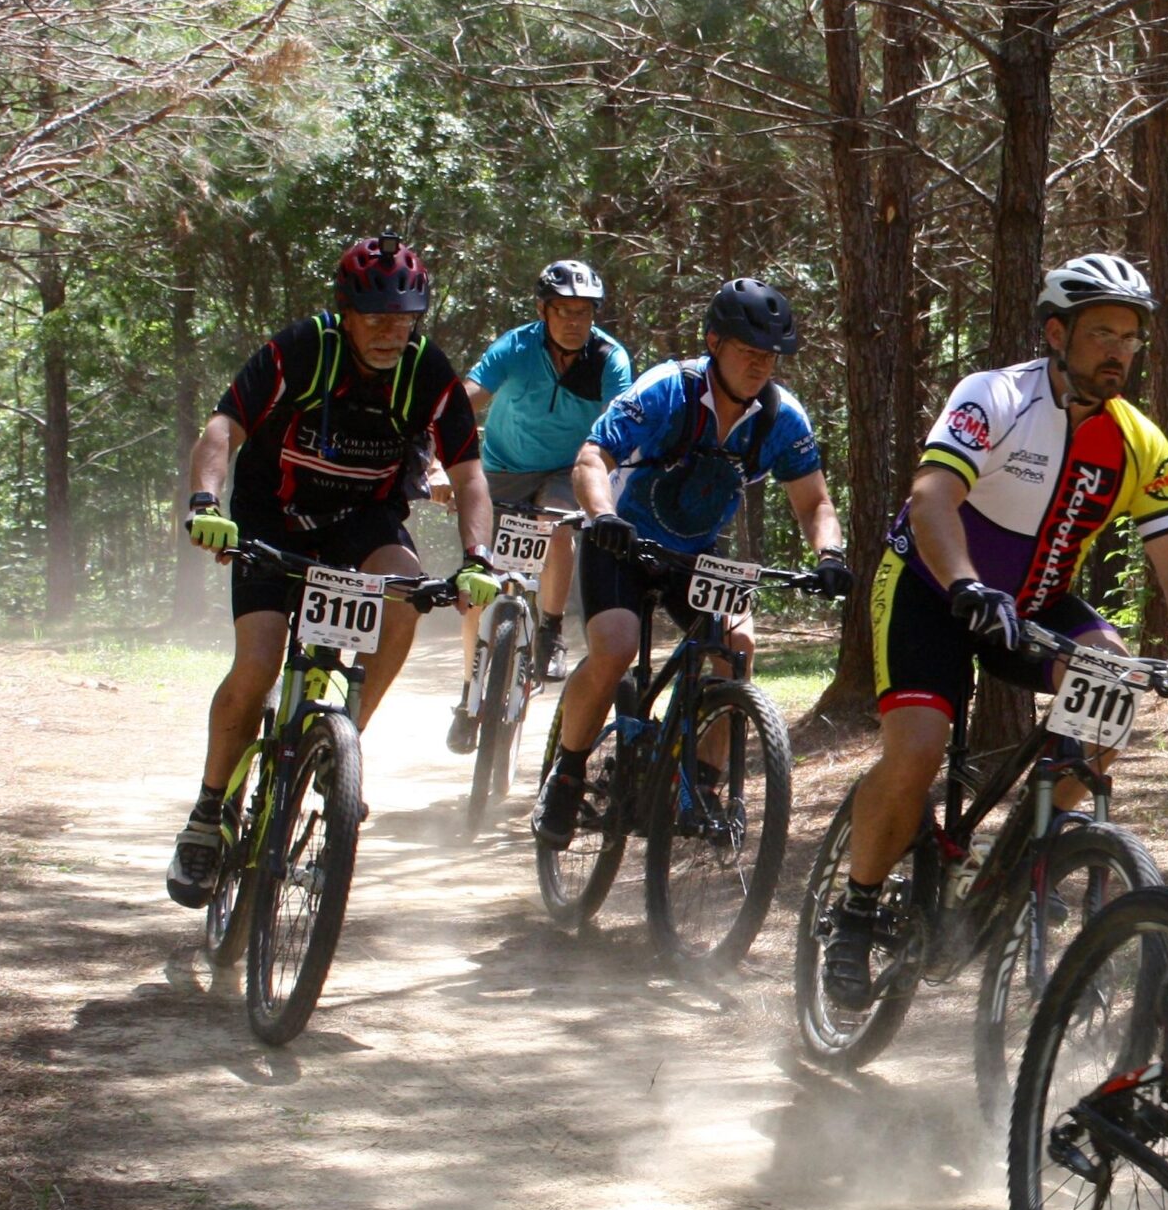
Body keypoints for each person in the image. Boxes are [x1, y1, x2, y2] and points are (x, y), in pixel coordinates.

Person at [820, 252, 1168, 1011]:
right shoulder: (995, 396)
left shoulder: (1139, 440)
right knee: (916, 754)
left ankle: (1040, 847)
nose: (1120, 352)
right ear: (1057, 333)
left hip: (1033, 603)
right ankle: (856, 910)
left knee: (1111, 686)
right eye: (1103, 332)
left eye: (1132, 339)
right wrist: (967, 583)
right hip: (933, 590)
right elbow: (934, 496)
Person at [165, 234, 499, 905]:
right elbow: (223, 427)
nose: (388, 332)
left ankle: (339, 749)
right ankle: (207, 814)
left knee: (404, 594)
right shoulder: (302, 349)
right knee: (257, 666)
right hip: (272, 515)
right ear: (345, 313)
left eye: (402, 320)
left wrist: (476, 560)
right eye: (375, 318)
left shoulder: (426, 373)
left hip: (360, 519)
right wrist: (206, 501)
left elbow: (469, 477)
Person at [533, 277, 851, 847]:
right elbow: (590, 458)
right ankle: (568, 773)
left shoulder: (783, 417)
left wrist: (829, 553)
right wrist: (602, 516)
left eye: (770, 356)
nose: (760, 366)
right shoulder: (666, 390)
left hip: (698, 552)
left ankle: (699, 783)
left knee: (738, 647)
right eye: (748, 352)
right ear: (713, 342)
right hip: (623, 539)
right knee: (616, 646)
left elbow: (814, 501)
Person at [442, 258, 635, 752]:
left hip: (567, 469)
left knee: (557, 525)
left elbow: (623, 423)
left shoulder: (609, 358)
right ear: (543, 311)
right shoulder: (516, 346)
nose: (575, 321)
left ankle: (549, 631)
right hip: (503, 466)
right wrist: (438, 460)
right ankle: (469, 692)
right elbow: (465, 401)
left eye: (584, 312)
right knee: (478, 581)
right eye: (564, 311)